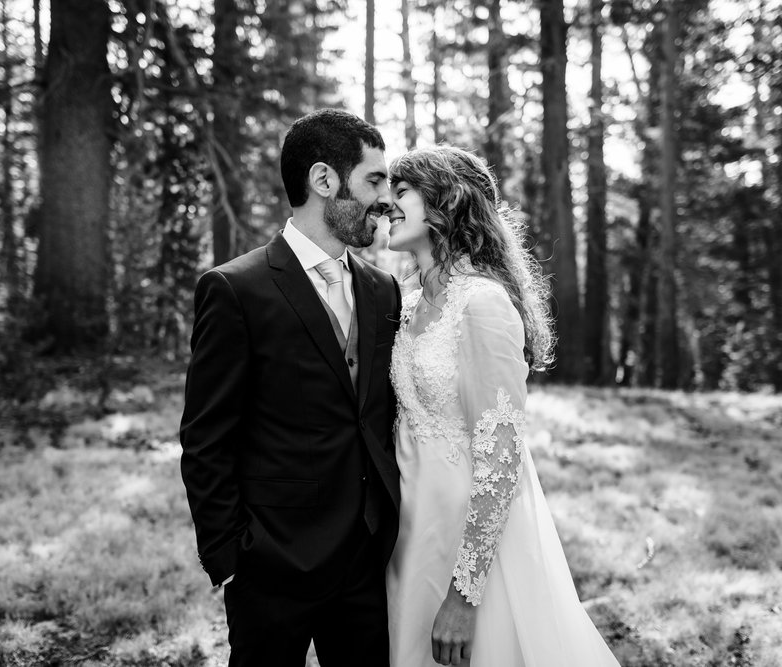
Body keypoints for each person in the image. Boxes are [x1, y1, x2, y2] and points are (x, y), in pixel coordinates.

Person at [179, 109, 402, 667]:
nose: (386, 199)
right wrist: (229, 555)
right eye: (373, 180)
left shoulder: (383, 291)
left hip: (368, 560)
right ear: (324, 180)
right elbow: (206, 437)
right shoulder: (235, 288)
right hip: (272, 562)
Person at [384, 146, 620, 666]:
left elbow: (501, 456)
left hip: (465, 535)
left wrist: (465, 595)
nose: (388, 204)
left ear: (446, 200)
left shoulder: (483, 303)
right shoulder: (400, 299)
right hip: (406, 527)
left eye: (401, 192)